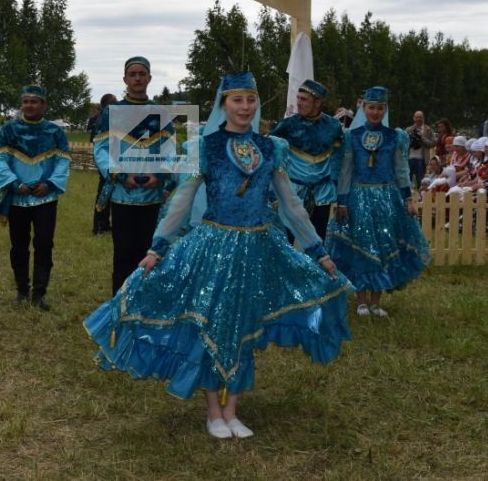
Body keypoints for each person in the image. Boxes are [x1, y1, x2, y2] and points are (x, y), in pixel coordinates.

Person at [85, 71, 353, 439]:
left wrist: (318, 252)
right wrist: (157, 248)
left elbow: (291, 206)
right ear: (222, 104)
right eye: (237, 100)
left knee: (242, 324)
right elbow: (182, 201)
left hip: (258, 246)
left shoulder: (272, 147)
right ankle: (214, 411)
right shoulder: (204, 147)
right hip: (213, 245)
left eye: (251, 100)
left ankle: (233, 409)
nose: (245, 107)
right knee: (214, 323)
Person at [325, 86, 432, 317]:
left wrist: (408, 198)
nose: (375, 112)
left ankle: (375, 301)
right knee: (361, 248)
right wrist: (342, 201)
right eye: (371, 107)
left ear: (385, 110)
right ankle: (361, 300)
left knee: (384, 247)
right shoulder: (351, 137)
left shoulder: (396, 137)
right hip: (358, 197)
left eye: (380, 108)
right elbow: (346, 171)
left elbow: (401, 170)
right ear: (363, 107)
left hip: (387, 198)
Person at [94, 57, 171, 293]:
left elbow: (169, 147)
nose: (137, 78)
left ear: (149, 78)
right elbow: (101, 147)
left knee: (149, 251)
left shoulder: (160, 112)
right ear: (125, 79)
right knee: (124, 251)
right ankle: (121, 301)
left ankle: (145, 302)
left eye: (142, 73)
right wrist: (120, 174)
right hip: (123, 193)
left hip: (152, 194)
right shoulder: (112, 112)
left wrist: (160, 174)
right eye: (133, 74)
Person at [0, 85, 70, 311]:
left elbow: (63, 161)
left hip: (45, 198)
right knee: (18, 246)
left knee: (44, 244)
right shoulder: (9, 130)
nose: (29, 105)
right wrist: (15, 183)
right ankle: (21, 290)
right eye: (25, 101)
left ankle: (39, 293)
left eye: (34, 101)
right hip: (17, 198)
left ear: (43, 105)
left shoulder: (55, 133)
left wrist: (49, 184)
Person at [269, 79, 345, 237]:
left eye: (303, 99)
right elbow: (270, 155)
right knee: (287, 238)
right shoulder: (288, 125)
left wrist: (338, 190)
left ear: (317, 102)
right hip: (293, 193)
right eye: (298, 98)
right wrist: (273, 193)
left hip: (322, 193)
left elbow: (338, 160)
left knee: (318, 238)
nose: (298, 103)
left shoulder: (333, 126)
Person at [91, 93, 116, 235]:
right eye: (113, 103)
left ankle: (105, 223)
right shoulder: (100, 121)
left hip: (112, 158)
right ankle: (99, 225)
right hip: (104, 160)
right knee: (104, 191)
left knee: (110, 192)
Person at [404, 110, 437, 188]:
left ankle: (420, 197)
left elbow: (433, 143)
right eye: (417, 117)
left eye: (420, 117)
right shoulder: (408, 129)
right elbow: (403, 144)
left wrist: (422, 137)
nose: (418, 119)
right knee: (407, 181)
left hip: (422, 159)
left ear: (423, 118)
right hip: (409, 158)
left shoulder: (428, 130)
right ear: (414, 118)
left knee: (421, 182)